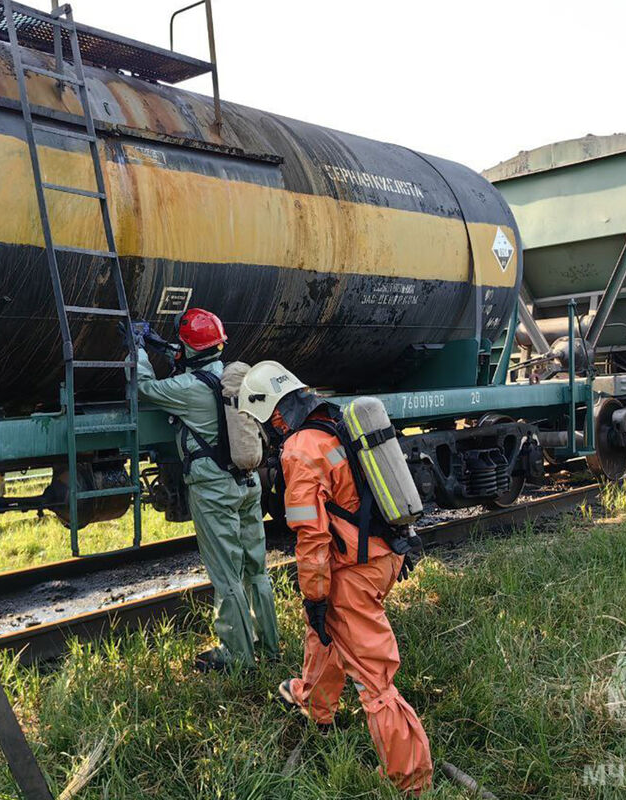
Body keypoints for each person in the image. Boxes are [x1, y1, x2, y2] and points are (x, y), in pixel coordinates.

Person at [238, 361, 433, 794]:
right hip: (384, 554)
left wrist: (315, 592)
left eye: (260, 422)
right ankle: (314, 704)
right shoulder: (336, 422)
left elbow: (311, 536)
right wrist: (318, 605)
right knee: (322, 630)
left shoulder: (298, 450)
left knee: (373, 677)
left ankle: (411, 779)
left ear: (273, 414)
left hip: (355, 571)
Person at [133, 308, 280, 672]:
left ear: (190, 349)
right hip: (247, 483)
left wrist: (138, 349)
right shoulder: (230, 378)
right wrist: (163, 346)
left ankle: (238, 656)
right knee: (255, 568)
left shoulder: (186, 389)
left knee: (226, 572)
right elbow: (190, 359)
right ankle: (269, 645)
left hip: (214, 490)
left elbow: (146, 386)